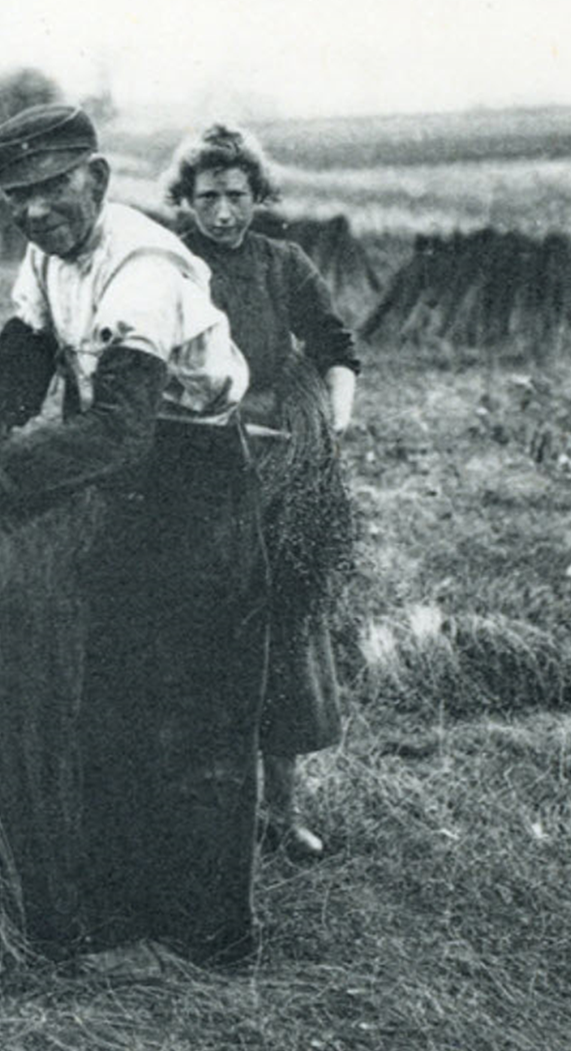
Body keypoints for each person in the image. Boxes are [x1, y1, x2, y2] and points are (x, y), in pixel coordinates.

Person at [0, 103, 271, 961]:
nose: (34, 211)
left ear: (96, 179)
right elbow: (8, 388)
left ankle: (210, 938)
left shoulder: (141, 266)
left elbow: (120, 429)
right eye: (17, 196)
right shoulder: (47, 257)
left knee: (197, 720)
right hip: (118, 495)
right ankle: (126, 918)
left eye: (52, 188)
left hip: (196, 492)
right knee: (115, 709)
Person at [165, 124, 360, 861]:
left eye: (236, 196)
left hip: (282, 464)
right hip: (194, 457)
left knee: (285, 632)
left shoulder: (284, 265)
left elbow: (336, 349)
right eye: (207, 197)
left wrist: (327, 429)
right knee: (202, 632)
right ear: (185, 200)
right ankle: (201, 810)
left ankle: (281, 811)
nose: (222, 213)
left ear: (258, 196)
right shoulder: (169, 266)